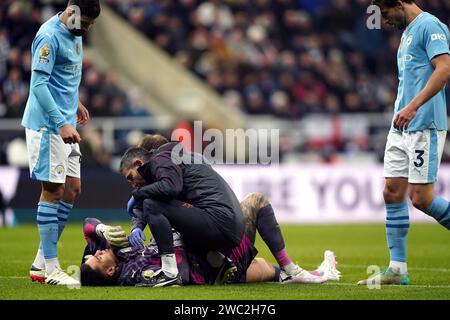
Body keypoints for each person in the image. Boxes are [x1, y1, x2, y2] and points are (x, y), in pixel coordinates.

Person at [359, 0, 450, 286]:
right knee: (391, 191)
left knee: (421, 199)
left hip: (424, 124)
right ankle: (397, 269)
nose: (384, 21)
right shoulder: (408, 31)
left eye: (385, 14)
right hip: (400, 126)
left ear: (399, 4)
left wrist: (412, 107)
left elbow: (444, 69)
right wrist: (403, 109)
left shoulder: (430, 26)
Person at [80, 192, 340, 286]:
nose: (98, 253)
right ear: (111, 271)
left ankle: (312, 273)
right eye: (98, 259)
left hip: (211, 258)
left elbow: (88, 225)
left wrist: (101, 229)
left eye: (95, 253)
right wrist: (178, 234)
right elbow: (177, 276)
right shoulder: (133, 273)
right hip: (211, 265)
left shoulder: (120, 254)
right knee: (255, 202)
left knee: (262, 269)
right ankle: (293, 269)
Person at [22, 0, 101, 286]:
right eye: (86, 23)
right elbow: (39, 85)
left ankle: (41, 261)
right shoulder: (48, 36)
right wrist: (61, 121)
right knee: (53, 191)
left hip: (64, 121)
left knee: (73, 189)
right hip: (48, 125)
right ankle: (52, 269)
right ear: (71, 11)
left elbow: (61, 76)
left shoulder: (74, 34)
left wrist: (75, 102)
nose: (88, 29)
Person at [119, 140, 246, 287]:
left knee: (152, 205)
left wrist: (137, 195)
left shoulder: (160, 160)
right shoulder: (170, 159)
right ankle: (219, 263)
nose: (133, 184)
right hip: (229, 225)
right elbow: (153, 194)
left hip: (219, 222)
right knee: (172, 216)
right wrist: (137, 226)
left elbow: (170, 188)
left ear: (139, 163)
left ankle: (169, 273)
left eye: (130, 177)